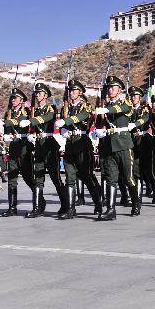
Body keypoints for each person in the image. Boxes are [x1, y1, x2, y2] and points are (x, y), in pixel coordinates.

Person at [92, 75, 140, 220]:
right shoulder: (104, 106)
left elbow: (124, 108)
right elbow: (101, 125)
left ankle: (136, 202)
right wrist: (98, 131)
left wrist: (106, 110)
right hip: (108, 146)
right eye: (109, 87)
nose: (110, 90)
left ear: (119, 90)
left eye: (113, 87)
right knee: (110, 178)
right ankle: (110, 210)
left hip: (123, 145)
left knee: (128, 177)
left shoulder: (126, 103)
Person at [54, 79, 102, 218]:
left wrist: (66, 121)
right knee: (70, 176)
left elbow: (82, 117)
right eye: (70, 90)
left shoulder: (85, 106)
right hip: (70, 144)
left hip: (82, 143)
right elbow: (63, 123)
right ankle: (70, 209)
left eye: (74, 90)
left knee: (86, 176)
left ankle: (98, 203)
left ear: (80, 93)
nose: (71, 92)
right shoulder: (66, 107)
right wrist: (63, 129)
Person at [18, 83, 67, 218]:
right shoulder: (33, 110)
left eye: (40, 93)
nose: (37, 95)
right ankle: (37, 207)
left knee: (56, 178)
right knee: (38, 178)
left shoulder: (51, 108)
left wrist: (31, 121)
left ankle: (65, 205)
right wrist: (30, 133)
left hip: (50, 145)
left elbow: (47, 118)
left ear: (46, 95)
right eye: (36, 93)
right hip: (39, 146)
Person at [1, 88, 36, 217]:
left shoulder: (26, 111)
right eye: (12, 98)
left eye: (15, 98)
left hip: (24, 148)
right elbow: (7, 128)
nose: (13, 100)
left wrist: (8, 122)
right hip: (14, 148)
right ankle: (12, 207)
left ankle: (39, 202)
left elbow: (20, 122)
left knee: (28, 177)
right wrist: (6, 135)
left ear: (21, 100)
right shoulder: (8, 113)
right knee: (12, 178)